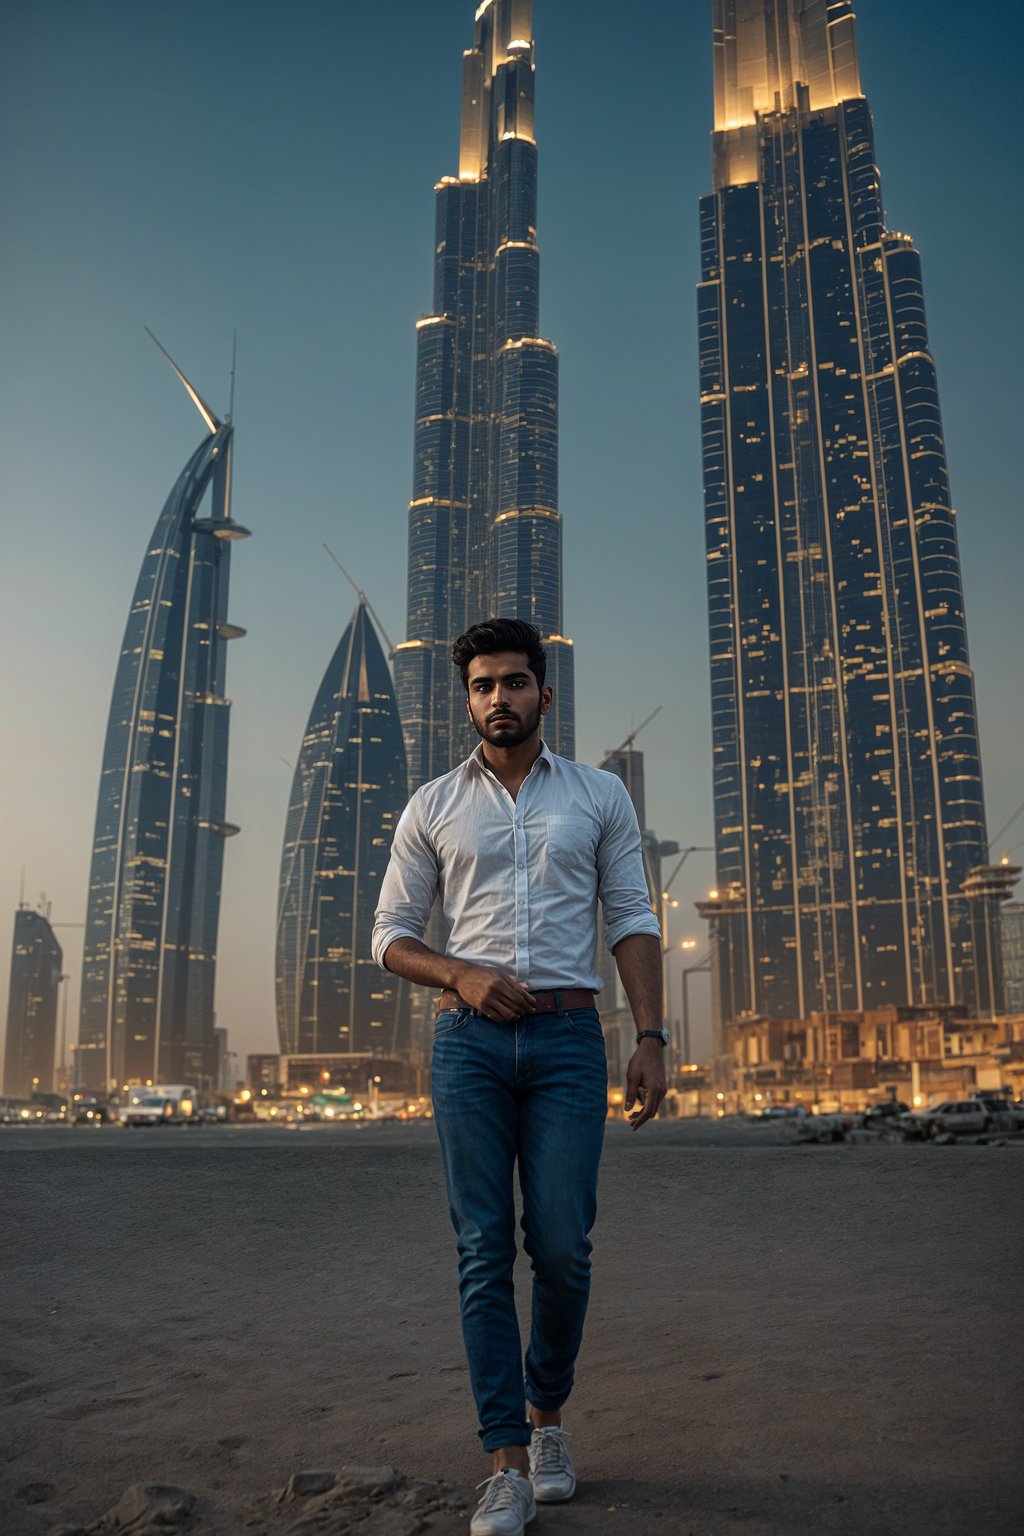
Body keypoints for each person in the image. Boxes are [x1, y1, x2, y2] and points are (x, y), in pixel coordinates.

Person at [372, 617, 666, 1535]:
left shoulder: (598, 795)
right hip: (466, 1046)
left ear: (545, 692)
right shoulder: (430, 805)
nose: (498, 698)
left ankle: (548, 1420)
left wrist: (651, 1035)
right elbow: (389, 936)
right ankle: (503, 1458)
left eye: (514, 682)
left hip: (571, 1042)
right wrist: (458, 971)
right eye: (482, 686)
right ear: (467, 700)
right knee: (480, 1250)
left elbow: (631, 915)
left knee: (565, 1246)